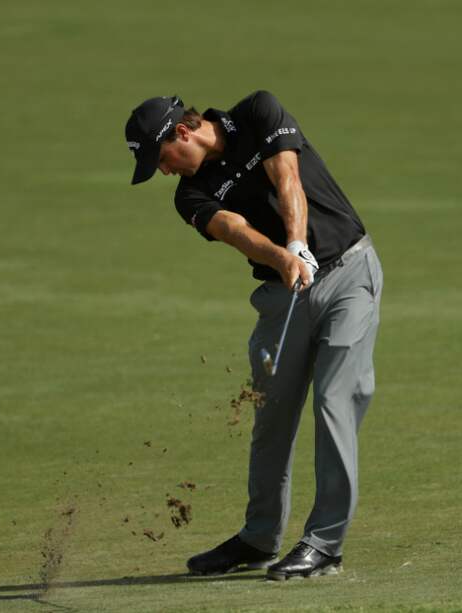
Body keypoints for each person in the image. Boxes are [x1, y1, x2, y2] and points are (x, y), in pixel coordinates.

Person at [124, 91, 383, 580]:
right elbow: (235, 230)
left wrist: (298, 242)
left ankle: (325, 544)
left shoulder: (258, 112)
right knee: (271, 417)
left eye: (161, 158)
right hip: (282, 293)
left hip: (349, 274)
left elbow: (286, 175)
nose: (164, 171)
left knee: (334, 402)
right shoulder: (189, 196)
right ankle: (260, 537)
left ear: (182, 132)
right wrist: (285, 259)